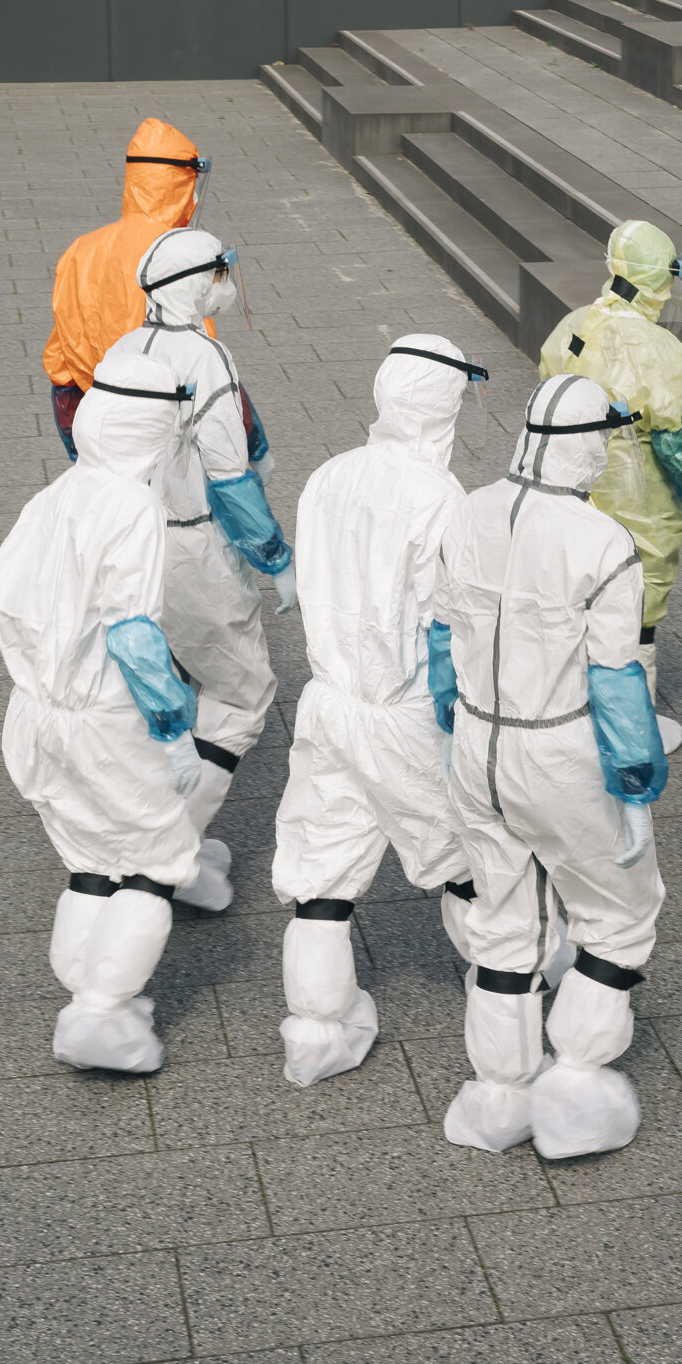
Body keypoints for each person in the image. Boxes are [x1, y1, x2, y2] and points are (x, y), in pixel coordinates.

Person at [433, 374, 668, 1161]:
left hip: (476, 743)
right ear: (589, 443)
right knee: (618, 912)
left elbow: (438, 637)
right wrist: (635, 785)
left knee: (503, 918)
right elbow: (613, 678)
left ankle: (498, 1097)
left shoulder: (467, 509)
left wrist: (452, 727)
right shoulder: (600, 540)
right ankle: (573, 1087)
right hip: (557, 748)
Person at [0, 347, 228, 1076]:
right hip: (103, 718)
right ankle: (100, 1011)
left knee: (91, 857)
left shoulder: (57, 494)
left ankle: (92, 998)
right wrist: (172, 728)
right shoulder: (131, 505)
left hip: (37, 714)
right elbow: (132, 631)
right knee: (156, 862)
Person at [271, 336, 490, 1087]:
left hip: (330, 702)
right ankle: (509, 995)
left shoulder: (329, 475)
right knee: (465, 861)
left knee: (321, 865)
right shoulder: (440, 497)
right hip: (404, 714)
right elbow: (448, 624)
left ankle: (316, 1030)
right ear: (444, 406)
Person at [109, 228, 295, 827]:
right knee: (242, 697)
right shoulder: (204, 355)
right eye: (219, 273)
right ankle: (175, 847)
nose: (226, 286)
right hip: (191, 545)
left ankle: (141, 813)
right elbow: (229, 475)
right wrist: (276, 559)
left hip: (128, 539)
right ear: (196, 283)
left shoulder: (125, 349)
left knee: (166, 681)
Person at [540, 220, 682, 756]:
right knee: (635, 612)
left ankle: (574, 713)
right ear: (659, 281)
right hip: (634, 492)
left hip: (570, 483)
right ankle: (630, 729)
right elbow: (674, 445)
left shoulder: (573, 325)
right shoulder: (659, 348)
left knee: (578, 601)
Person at [43, 118, 271, 477]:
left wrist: (77, 439)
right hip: (161, 419)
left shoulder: (80, 250)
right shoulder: (179, 261)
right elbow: (203, 361)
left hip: (92, 410)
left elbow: (62, 356)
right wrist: (254, 445)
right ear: (180, 184)